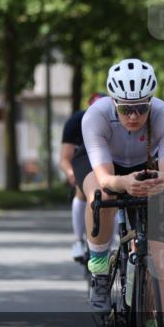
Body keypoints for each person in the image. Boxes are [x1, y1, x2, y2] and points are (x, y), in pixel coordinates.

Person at [71, 58, 164, 327]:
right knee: (101, 195)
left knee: (156, 260)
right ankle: (100, 269)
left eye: (141, 108)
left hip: (146, 168)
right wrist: (123, 184)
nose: (133, 116)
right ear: (114, 103)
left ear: (151, 103)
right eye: (125, 109)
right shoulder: (95, 116)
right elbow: (106, 178)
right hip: (107, 169)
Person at [59, 93, 108, 263]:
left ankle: (112, 239)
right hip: (82, 163)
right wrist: (70, 173)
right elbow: (65, 158)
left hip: (104, 164)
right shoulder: (75, 122)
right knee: (81, 191)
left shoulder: (115, 123)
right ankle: (79, 240)